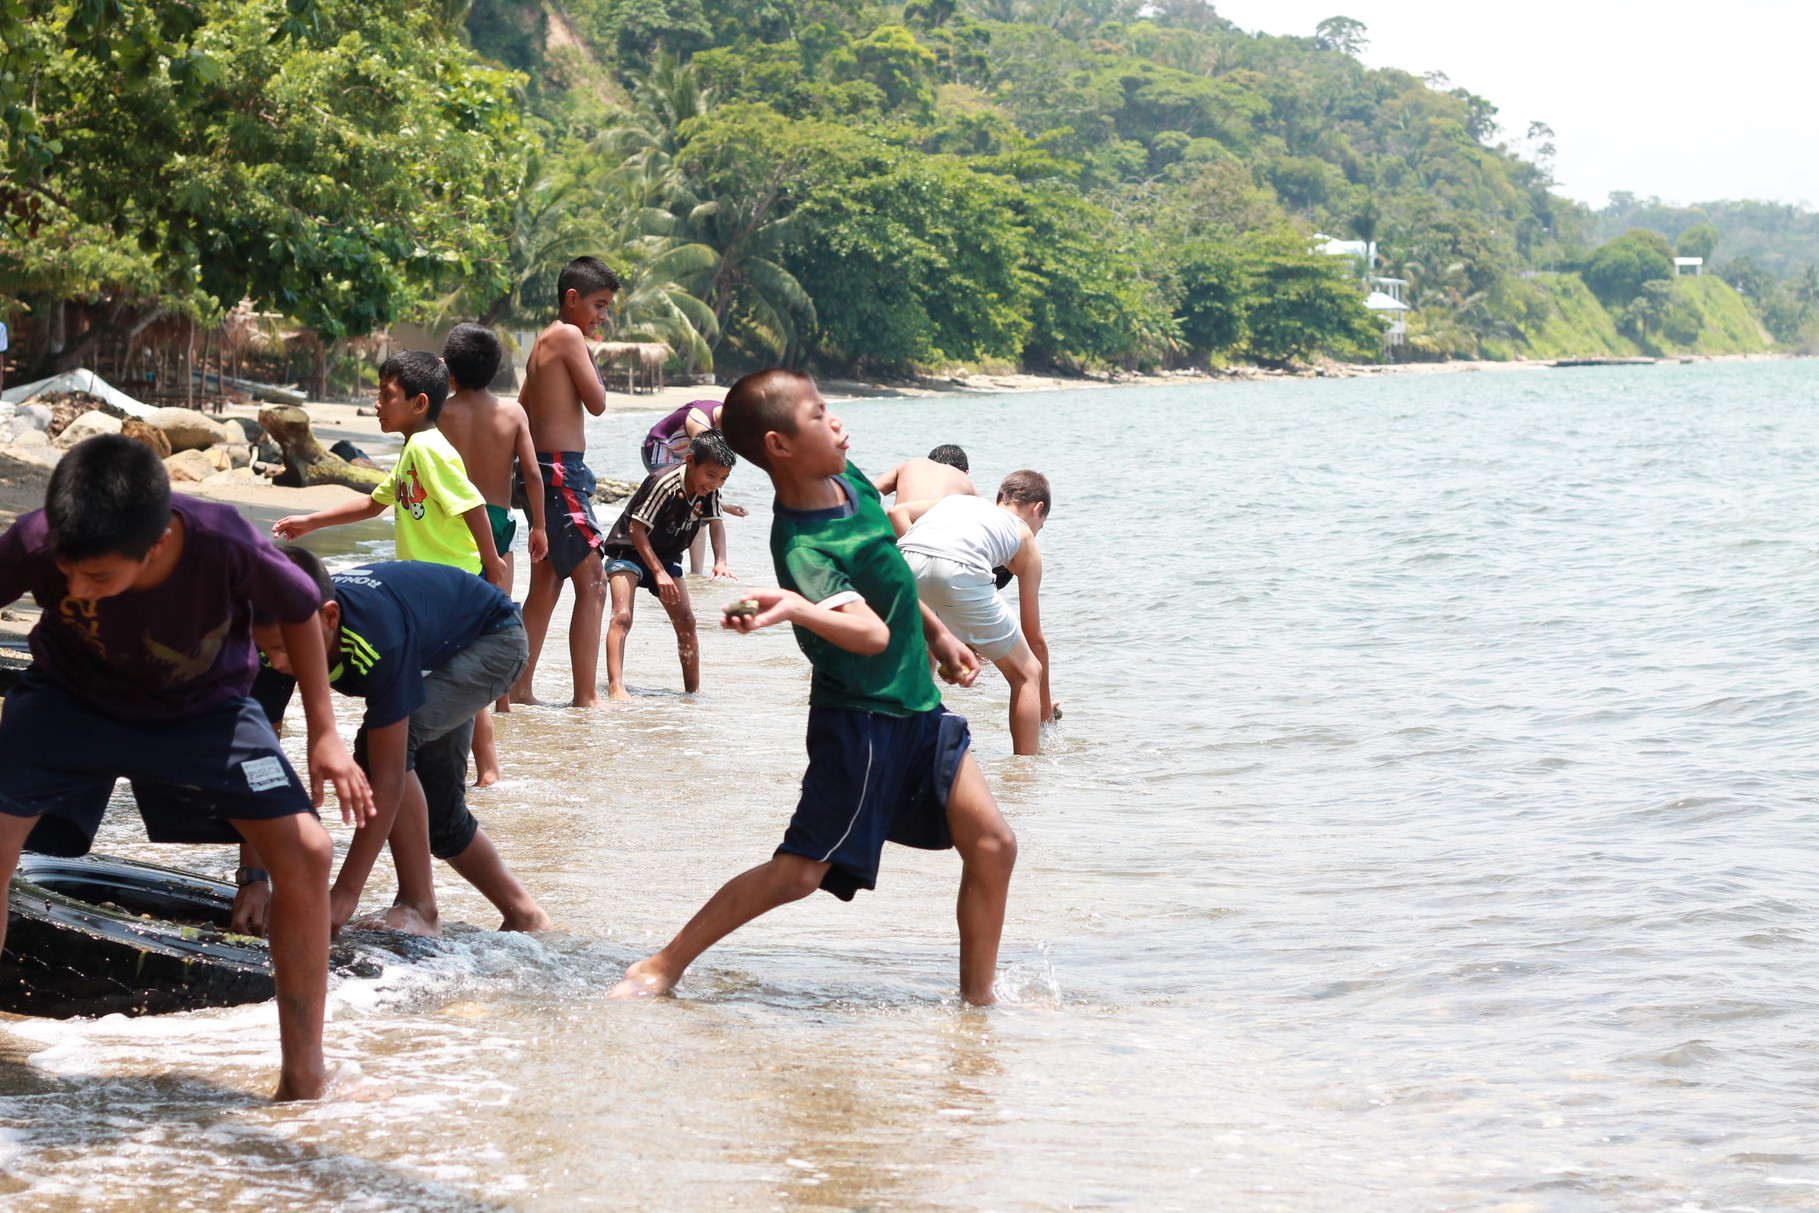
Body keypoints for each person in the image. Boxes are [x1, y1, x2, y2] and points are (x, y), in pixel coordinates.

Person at [610, 370, 1017, 1007]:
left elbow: (890, 571)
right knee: (800, 871)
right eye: (819, 416)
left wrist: (937, 636)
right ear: (779, 445)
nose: (837, 423)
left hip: (917, 704)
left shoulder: (849, 479)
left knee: (994, 844)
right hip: (862, 720)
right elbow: (871, 635)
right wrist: (797, 607)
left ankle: (978, 1007)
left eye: (829, 409)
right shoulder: (803, 544)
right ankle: (660, 966)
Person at [0, 435, 374, 1101]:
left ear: (157, 543)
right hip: (69, 701)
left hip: (203, 710)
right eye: (70, 573)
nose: (79, 589)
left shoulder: (222, 540)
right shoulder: (36, 540)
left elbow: (295, 606)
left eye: (100, 578)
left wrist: (324, 731)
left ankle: (303, 1075)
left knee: (309, 852)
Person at [244, 549, 549, 937]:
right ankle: (525, 914)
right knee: (436, 813)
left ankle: (419, 906)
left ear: (331, 617)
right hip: (431, 643)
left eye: (287, 649)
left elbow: (386, 775)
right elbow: (258, 761)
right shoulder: (272, 639)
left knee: (377, 751)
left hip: (491, 640)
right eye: (268, 650)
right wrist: (253, 878)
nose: (281, 662)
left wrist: (342, 897)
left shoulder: (375, 635)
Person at [269, 351, 507, 594]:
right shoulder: (413, 448)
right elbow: (373, 504)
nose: (377, 403)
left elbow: (472, 505)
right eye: (379, 394)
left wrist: (491, 561)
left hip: (451, 577)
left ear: (419, 403)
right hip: (427, 577)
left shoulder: (427, 449)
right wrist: (311, 522)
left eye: (387, 395)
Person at [437, 322, 549, 786]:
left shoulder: (437, 414)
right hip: (499, 522)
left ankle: (470, 729)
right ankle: (499, 702)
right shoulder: (512, 413)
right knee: (499, 618)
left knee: (452, 629)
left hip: (449, 524)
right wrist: (540, 524)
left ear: (449, 368)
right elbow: (534, 474)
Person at [512, 256, 619, 708]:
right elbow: (596, 402)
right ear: (571, 299)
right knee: (594, 580)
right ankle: (585, 699)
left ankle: (518, 687)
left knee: (547, 581)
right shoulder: (570, 336)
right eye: (598, 305)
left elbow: (521, 407)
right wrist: (590, 356)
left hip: (541, 471)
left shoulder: (542, 341)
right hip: (560, 472)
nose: (602, 317)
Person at [891, 472, 1056, 755]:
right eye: (1041, 524)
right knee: (1027, 672)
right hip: (960, 570)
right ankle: (1024, 776)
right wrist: (1045, 710)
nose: (1038, 530)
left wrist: (929, 562)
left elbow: (896, 510)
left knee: (922, 658)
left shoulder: (958, 502)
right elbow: (1034, 636)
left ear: (1000, 499)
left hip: (904, 562)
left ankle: (904, 747)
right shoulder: (1024, 535)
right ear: (1037, 508)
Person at [600, 429, 735, 699]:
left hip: (667, 556)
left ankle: (692, 693)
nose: (715, 484)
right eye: (710, 475)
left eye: (723, 478)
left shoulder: (711, 490)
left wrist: (720, 560)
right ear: (690, 461)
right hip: (628, 552)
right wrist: (658, 574)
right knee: (623, 616)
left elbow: (716, 524)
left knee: (687, 621)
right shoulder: (665, 484)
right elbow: (637, 530)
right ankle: (616, 687)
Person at [640, 398, 747, 574]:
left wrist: (718, 507)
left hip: (687, 455)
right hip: (660, 449)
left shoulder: (723, 413)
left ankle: (697, 574)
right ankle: (658, 562)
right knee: (682, 504)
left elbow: (711, 480)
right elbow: (698, 472)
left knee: (699, 510)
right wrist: (724, 507)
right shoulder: (701, 425)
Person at [871, 445, 978, 503]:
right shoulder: (962, 478)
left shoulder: (912, 465)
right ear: (965, 472)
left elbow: (867, 491)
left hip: (899, 533)